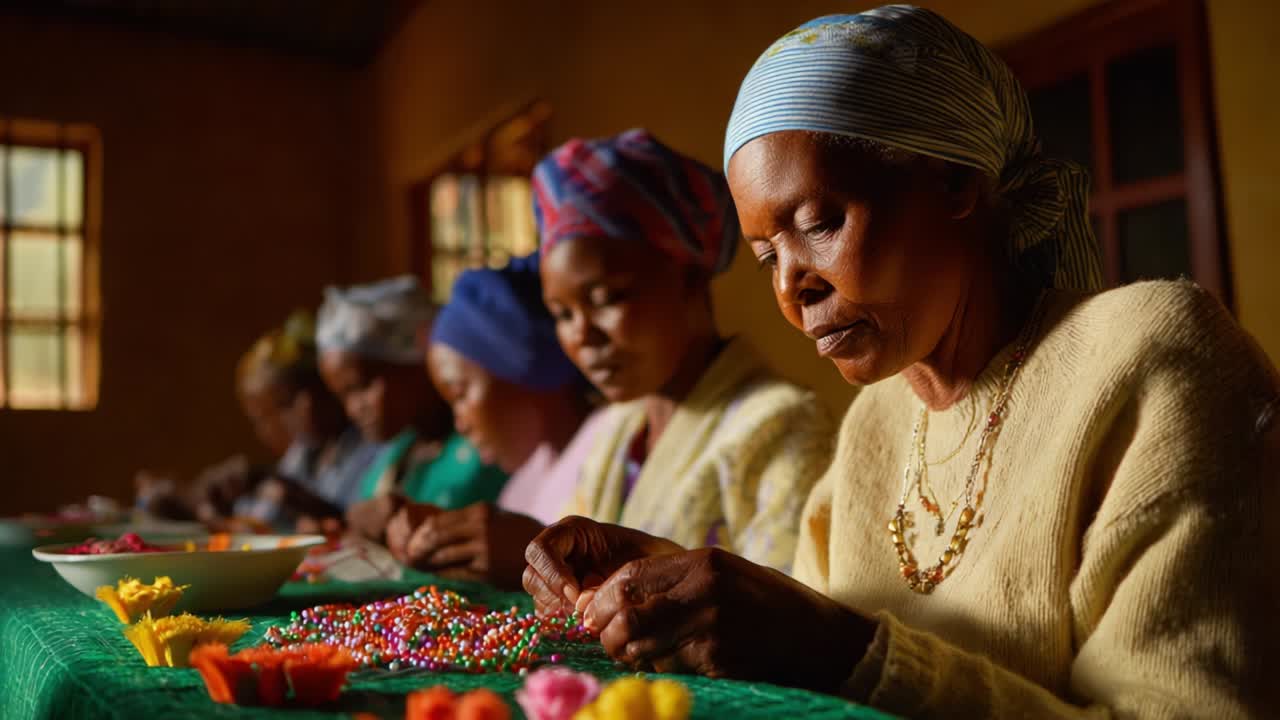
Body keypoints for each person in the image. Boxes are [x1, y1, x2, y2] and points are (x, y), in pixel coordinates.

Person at [522, 7, 1280, 718]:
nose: (793, 284)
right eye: (765, 258)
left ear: (955, 181)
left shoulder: (1152, 362)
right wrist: (668, 583)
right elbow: (808, 661)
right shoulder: (876, 425)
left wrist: (843, 651)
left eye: (820, 223)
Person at [531, 129, 835, 574]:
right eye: (561, 314)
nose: (583, 336)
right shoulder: (617, 433)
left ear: (689, 279)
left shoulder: (780, 427)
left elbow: (793, 618)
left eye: (607, 299)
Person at [385, 254, 607, 587]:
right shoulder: (528, 477)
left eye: (460, 394)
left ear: (521, 368)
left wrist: (529, 552)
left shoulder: (611, 446)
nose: (459, 423)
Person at [137, 311, 375, 529]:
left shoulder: (369, 450)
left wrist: (275, 486)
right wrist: (196, 504)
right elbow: (258, 520)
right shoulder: (306, 454)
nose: (306, 406)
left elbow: (351, 523)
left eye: (281, 406)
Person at [316, 276, 507, 541]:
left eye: (362, 386)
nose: (353, 409)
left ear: (420, 364)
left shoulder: (487, 452)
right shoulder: (395, 456)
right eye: (343, 396)